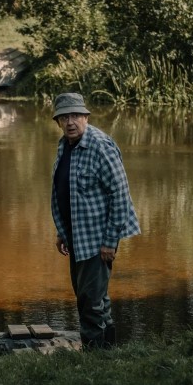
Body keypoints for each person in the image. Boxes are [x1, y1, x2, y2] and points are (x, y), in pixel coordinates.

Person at [50, 92, 140, 349]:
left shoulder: (101, 146)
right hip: (76, 234)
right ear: (57, 121)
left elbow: (120, 195)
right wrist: (61, 231)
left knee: (89, 300)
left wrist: (110, 242)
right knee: (93, 297)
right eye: (64, 117)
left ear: (86, 117)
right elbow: (65, 190)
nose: (70, 122)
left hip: (97, 237)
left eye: (75, 115)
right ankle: (109, 352)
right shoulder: (65, 145)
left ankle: (94, 359)